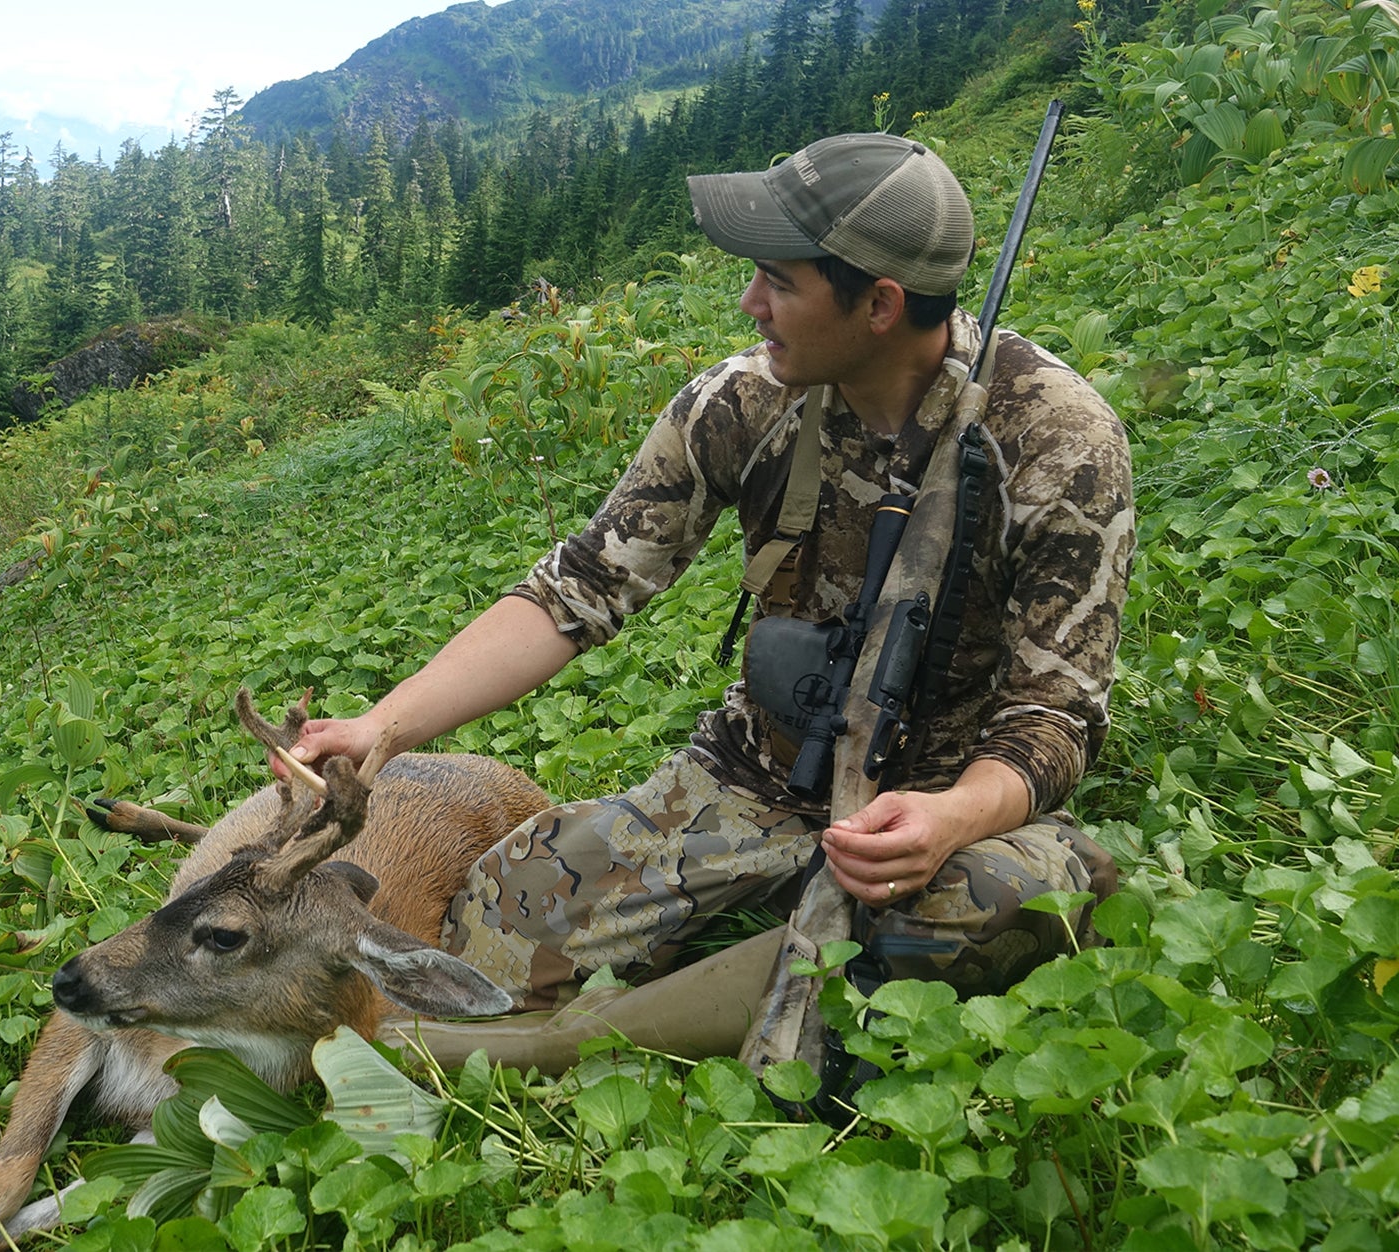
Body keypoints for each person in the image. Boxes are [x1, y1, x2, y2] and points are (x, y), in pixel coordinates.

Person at [288, 132, 1133, 1068]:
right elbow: (580, 588)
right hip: (756, 776)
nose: (750, 304)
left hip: (942, 807)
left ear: (881, 304)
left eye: (779, 280)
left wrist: (953, 819)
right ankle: (760, 954)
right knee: (505, 912)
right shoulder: (742, 403)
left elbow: (1056, 713)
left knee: (977, 904)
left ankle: (579, 1042)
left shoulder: (1058, 438)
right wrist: (384, 727)